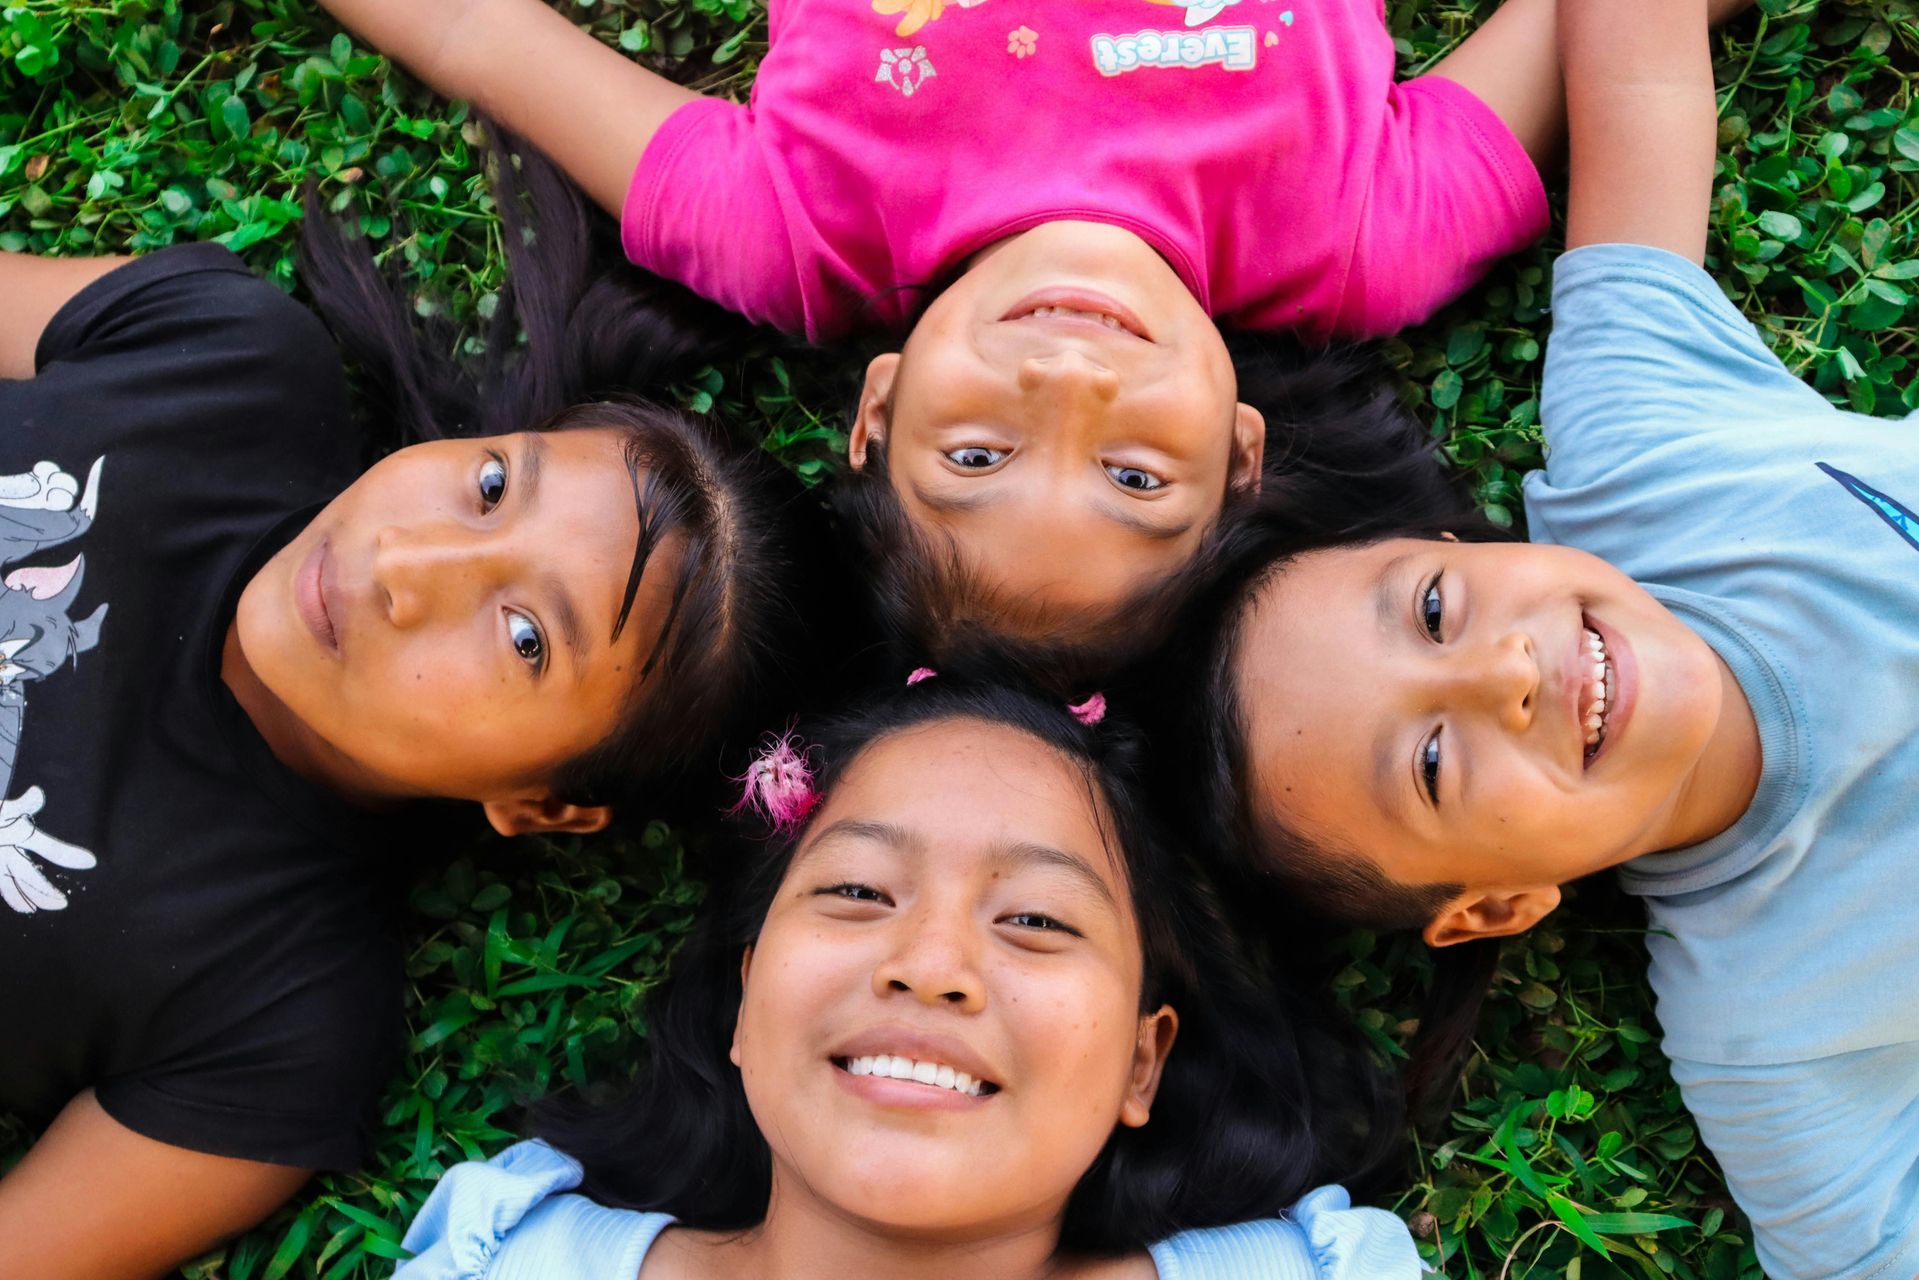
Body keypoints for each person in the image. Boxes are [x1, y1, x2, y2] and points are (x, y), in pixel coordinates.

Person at [1185, 1, 1919, 1275]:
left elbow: (1637, 56)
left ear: (1462, 547)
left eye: (1433, 609)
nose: (1505, 670)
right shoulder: (1768, 1039)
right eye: (1430, 763)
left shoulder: (1643, 462)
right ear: (1494, 905)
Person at [0, 142, 803, 1279]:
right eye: (491, 486)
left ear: (547, 803)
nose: (405, 565)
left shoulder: (273, 1019)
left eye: (525, 638)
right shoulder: (226, 359)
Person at [314, 0, 1574, 661]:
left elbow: (475, 30)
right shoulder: (1364, 234)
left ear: (878, 407)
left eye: (976, 455)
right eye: (1136, 476)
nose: (1070, 382)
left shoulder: (792, 233)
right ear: (1243, 453)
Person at [395, 675, 1421, 1279]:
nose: (931, 968)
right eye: (857, 891)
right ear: (745, 1002)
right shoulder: (512, 1260)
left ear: (1140, 1062)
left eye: (1035, 919)